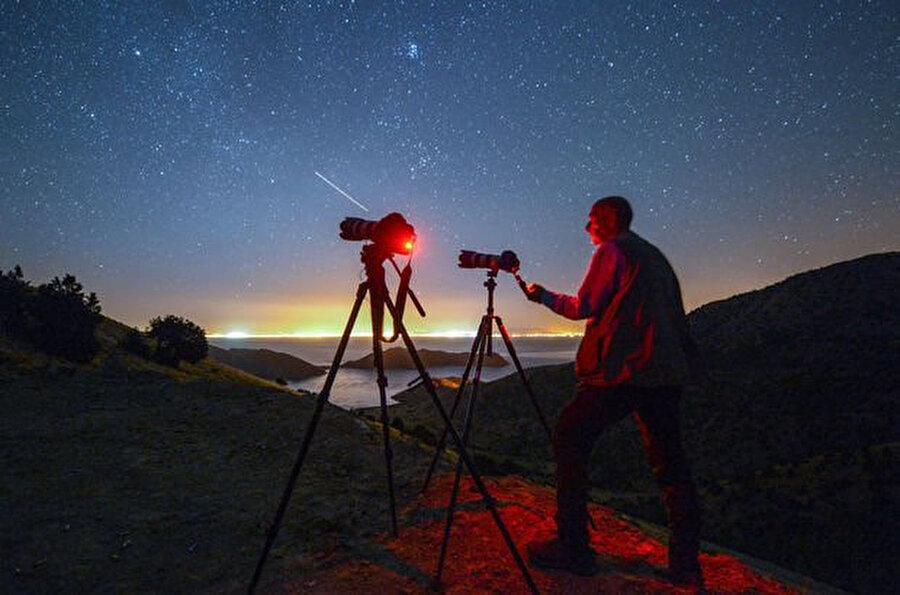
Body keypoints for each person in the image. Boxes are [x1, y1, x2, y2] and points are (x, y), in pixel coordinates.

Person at [521, 195, 704, 585]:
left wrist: (542, 296)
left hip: (625, 371)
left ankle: (574, 548)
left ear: (606, 219)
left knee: (569, 436)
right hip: (666, 373)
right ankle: (685, 563)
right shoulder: (653, 256)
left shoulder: (612, 251)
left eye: (590, 220)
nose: (586, 227)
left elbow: (583, 306)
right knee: (671, 464)